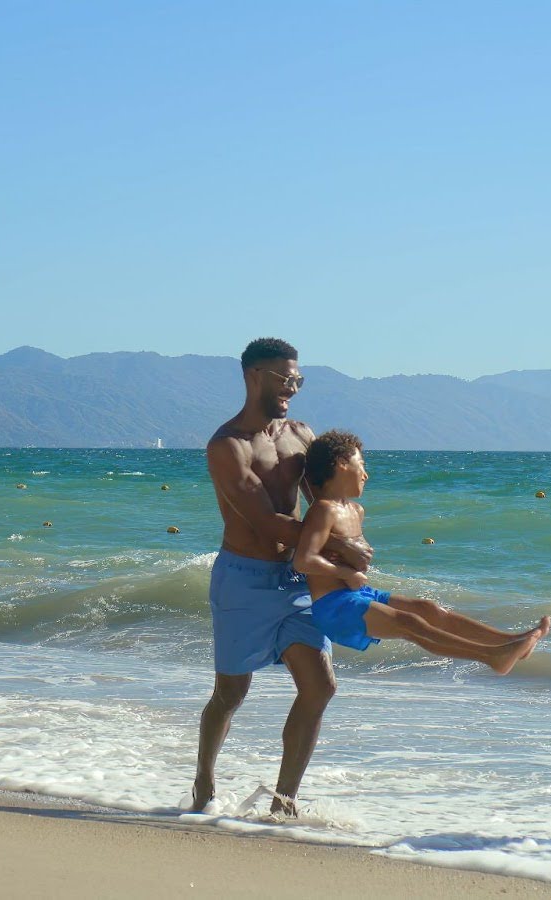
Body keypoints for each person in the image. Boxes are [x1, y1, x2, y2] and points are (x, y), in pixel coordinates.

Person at [191, 337, 371, 817]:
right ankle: (204, 782)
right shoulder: (227, 445)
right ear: (252, 375)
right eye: (283, 377)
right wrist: (336, 545)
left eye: (298, 378)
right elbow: (264, 520)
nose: (292, 386)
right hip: (243, 579)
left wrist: (347, 543)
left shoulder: (300, 434)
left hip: (296, 578)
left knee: (321, 685)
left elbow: (325, 503)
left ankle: (283, 800)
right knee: (232, 692)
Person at [294, 429, 548, 673]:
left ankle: (511, 641)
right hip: (333, 607)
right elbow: (303, 560)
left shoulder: (356, 511)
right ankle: (492, 656)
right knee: (409, 624)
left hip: (360, 594)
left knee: (429, 610)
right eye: (361, 465)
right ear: (341, 464)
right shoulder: (323, 510)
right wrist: (344, 573)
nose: (366, 475)